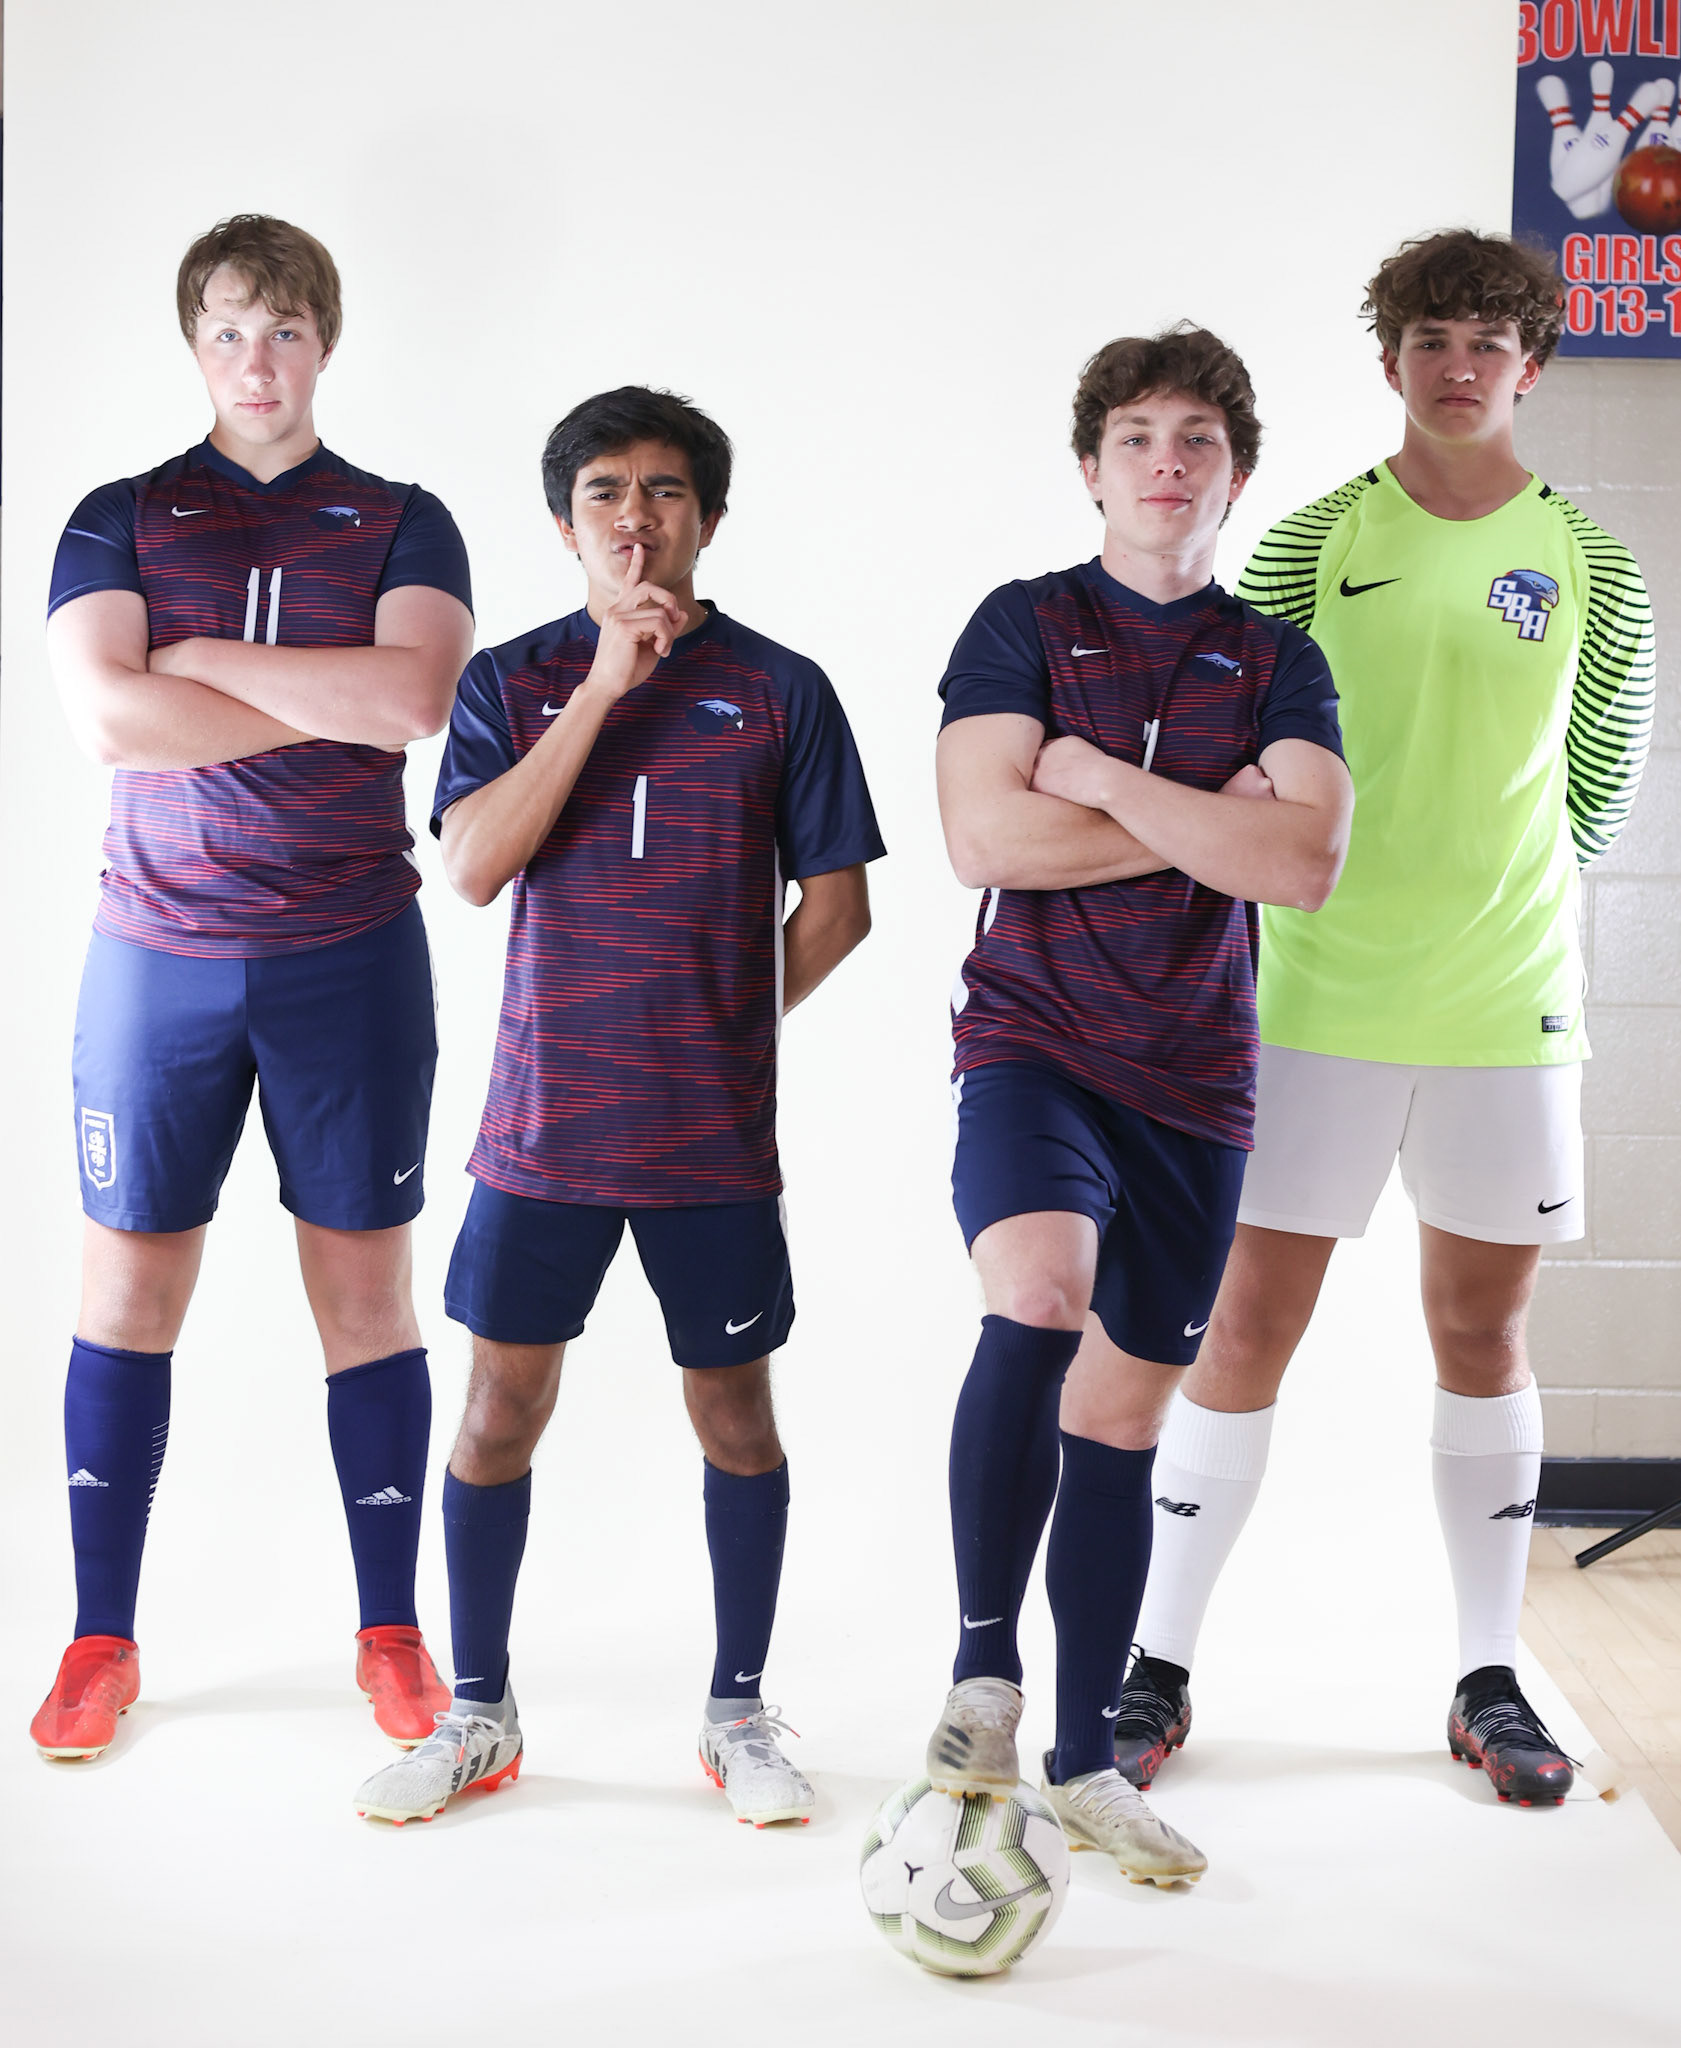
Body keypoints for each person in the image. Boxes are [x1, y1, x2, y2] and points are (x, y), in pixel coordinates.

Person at [1122, 231, 1654, 1808]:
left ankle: (1490, 1678)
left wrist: (1480, 901)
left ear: (1531, 365)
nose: (1460, 365)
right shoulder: (1303, 547)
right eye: (1431, 338)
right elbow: (1228, 757)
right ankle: (1153, 1667)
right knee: (1242, 1330)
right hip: (1307, 1000)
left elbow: (1594, 787)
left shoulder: (1592, 565)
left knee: (1479, 1337)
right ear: (1390, 362)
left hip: (1500, 1010)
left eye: (1491, 340)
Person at [353, 386, 884, 1829]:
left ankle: (737, 1714)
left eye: (662, 491)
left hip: (707, 1135)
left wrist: (718, 1027)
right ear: (564, 521)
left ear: (706, 516)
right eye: (604, 491)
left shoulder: (781, 689)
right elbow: (469, 869)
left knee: (734, 1414)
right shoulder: (513, 681)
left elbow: (835, 913)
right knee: (497, 1411)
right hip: (546, 1127)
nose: (635, 517)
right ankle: (477, 1711)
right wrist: (601, 681)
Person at [32, 213, 473, 1762]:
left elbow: (413, 698)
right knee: (128, 1295)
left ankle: (391, 1638)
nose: (256, 361)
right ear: (193, 347)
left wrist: (200, 656)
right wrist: (305, 699)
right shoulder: (119, 515)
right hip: (155, 960)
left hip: (347, 959)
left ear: (325, 344)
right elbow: (108, 724)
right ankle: (99, 1640)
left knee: (365, 1301)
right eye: (227, 331)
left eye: (283, 330)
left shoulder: (405, 521)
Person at [926, 327, 1352, 1882]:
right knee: (1035, 1294)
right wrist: (1203, 820)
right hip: (1034, 1040)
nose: (1164, 463)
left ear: (1234, 472)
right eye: (1134, 437)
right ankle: (983, 1674)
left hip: (1195, 1077)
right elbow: (983, 842)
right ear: (1089, 466)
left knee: (1118, 1417)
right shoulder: (1023, 625)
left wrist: (1097, 781)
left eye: (1195, 440)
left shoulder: (1278, 660)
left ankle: (1083, 1763)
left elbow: (1301, 864)